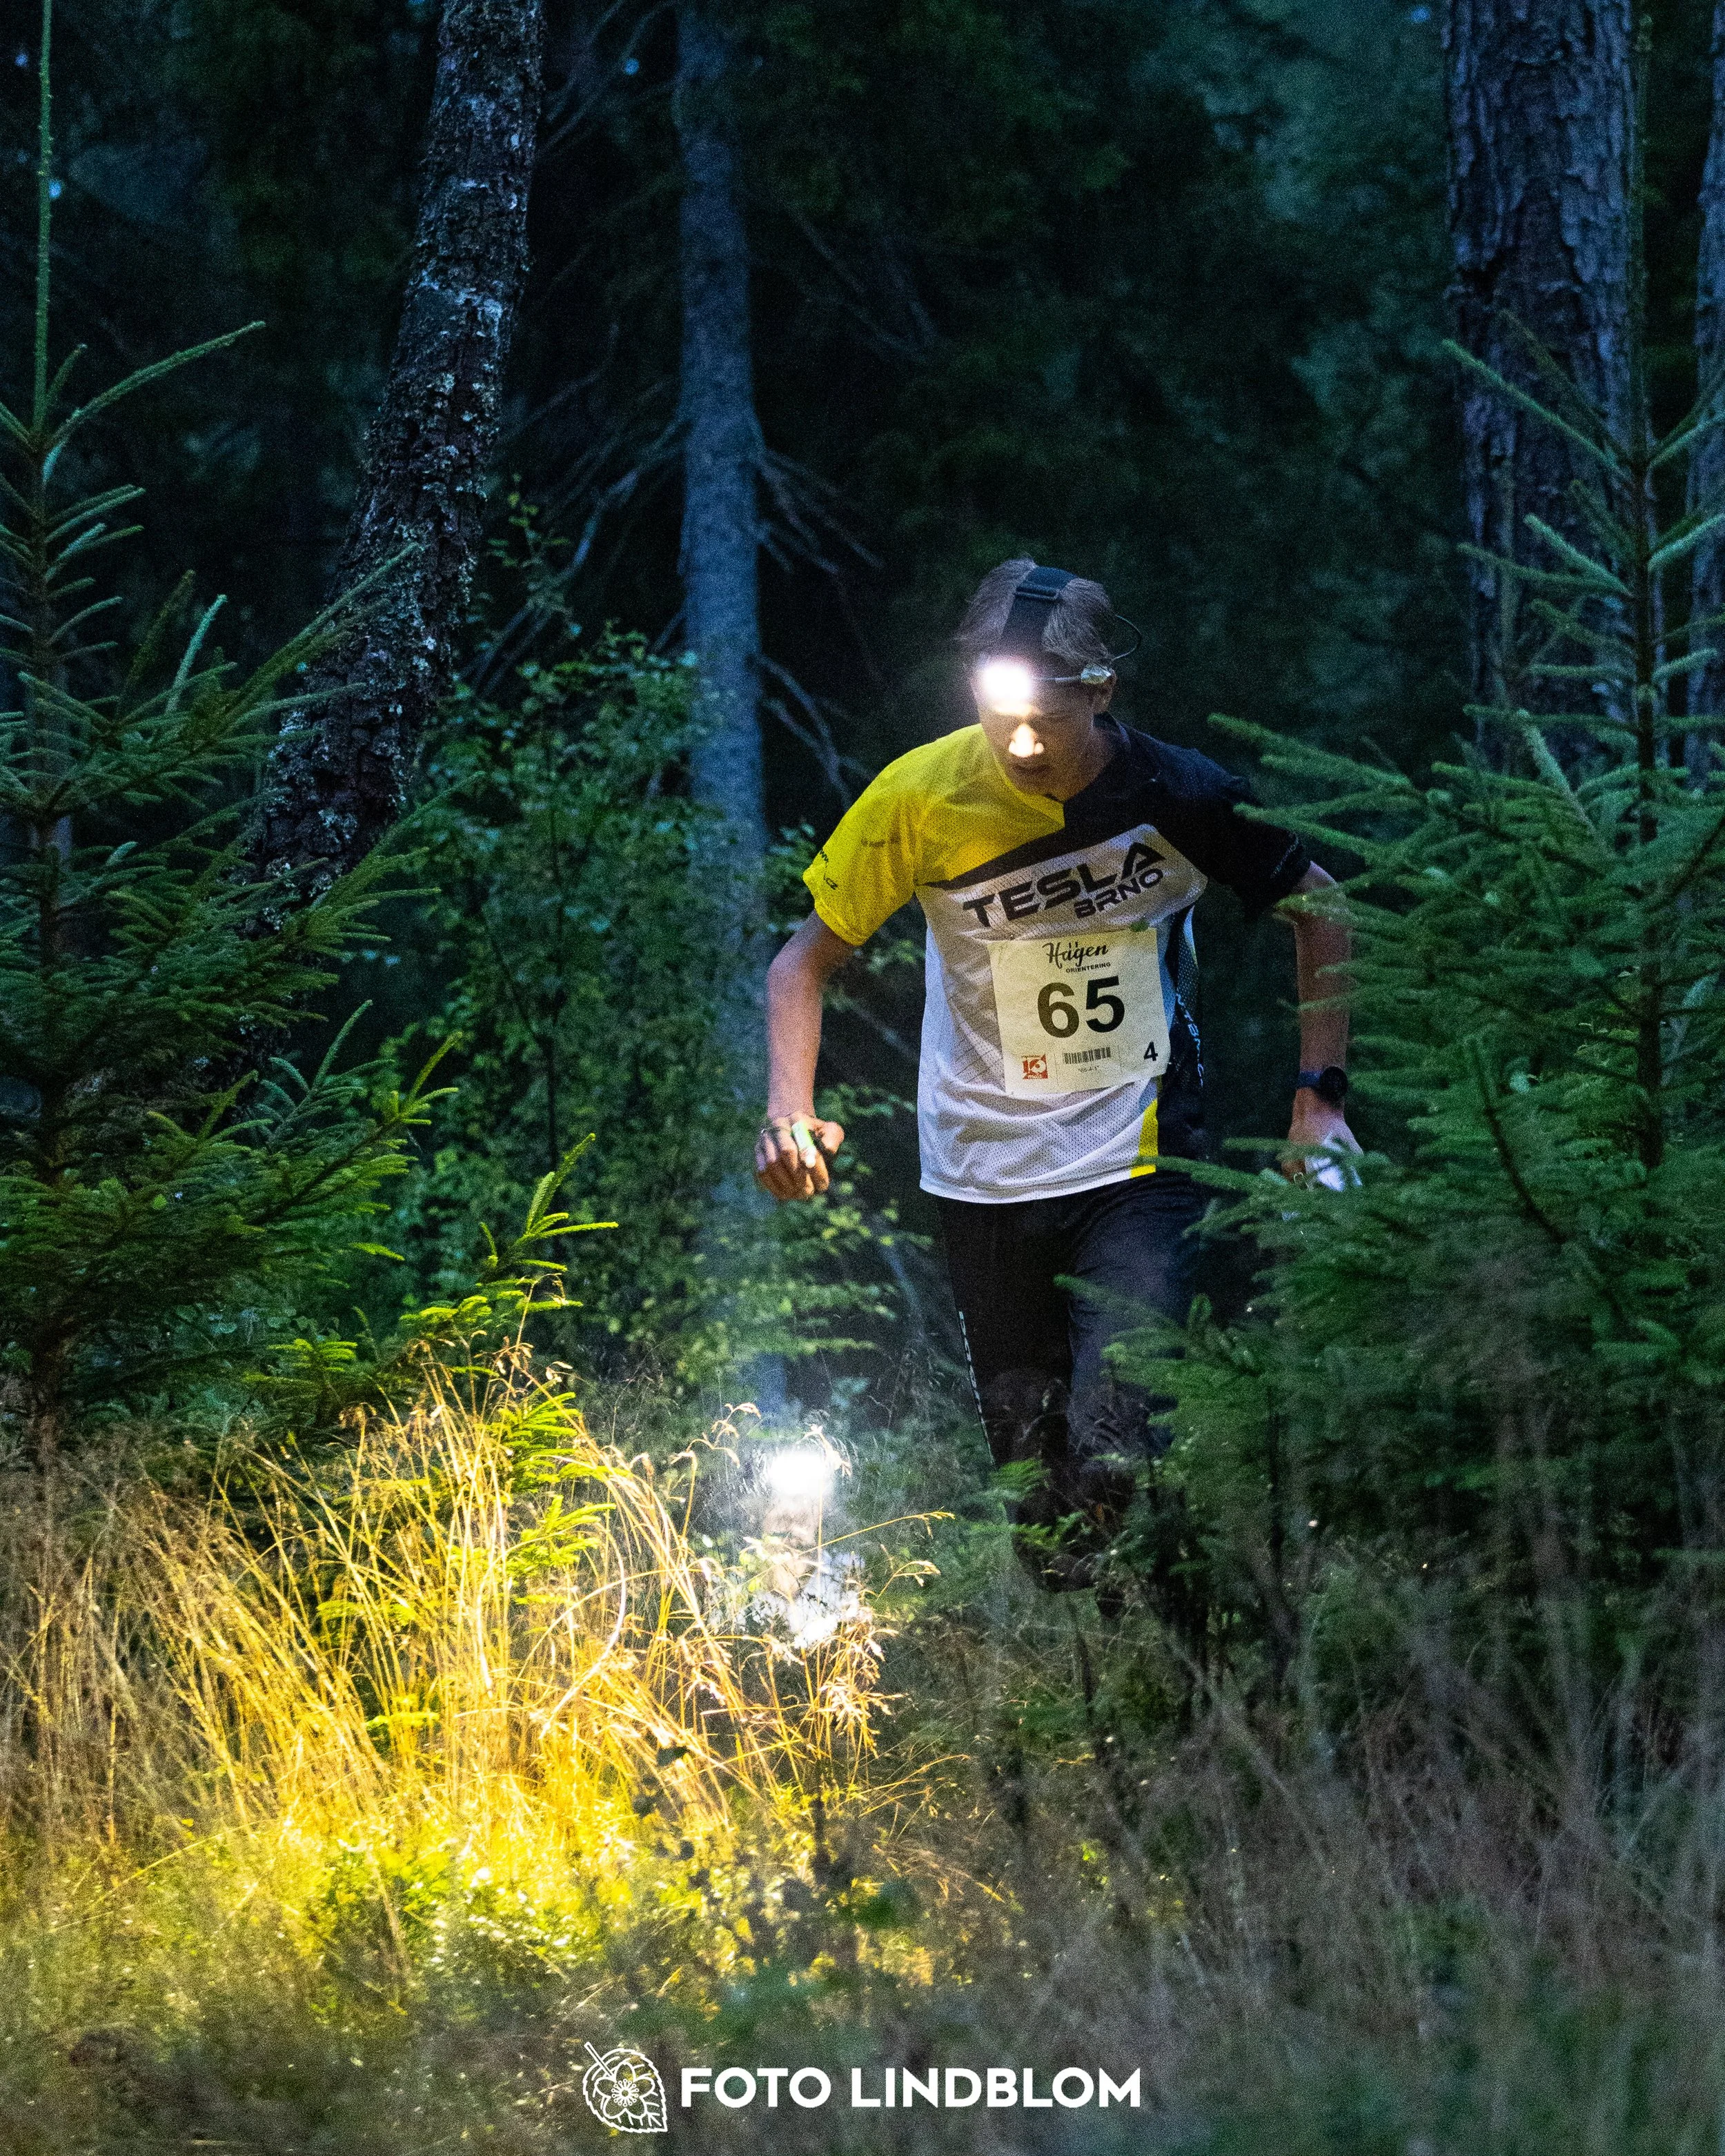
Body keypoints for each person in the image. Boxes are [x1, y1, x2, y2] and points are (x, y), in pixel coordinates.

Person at [754, 558, 1355, 1590]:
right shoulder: (920, 795)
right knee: (1043, 1518)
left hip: (1141, 1161)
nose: (1024, 744)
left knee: (1120, 1433)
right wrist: (788, 1108)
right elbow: (801, 965)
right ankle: (1092, 1695)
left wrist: (1318, 1105)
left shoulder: (1178, 793)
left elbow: (1323, 909)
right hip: (981, 1173)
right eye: (1002, 718)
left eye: (1049, 719)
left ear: (1101, 690)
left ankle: (1188, 1637)